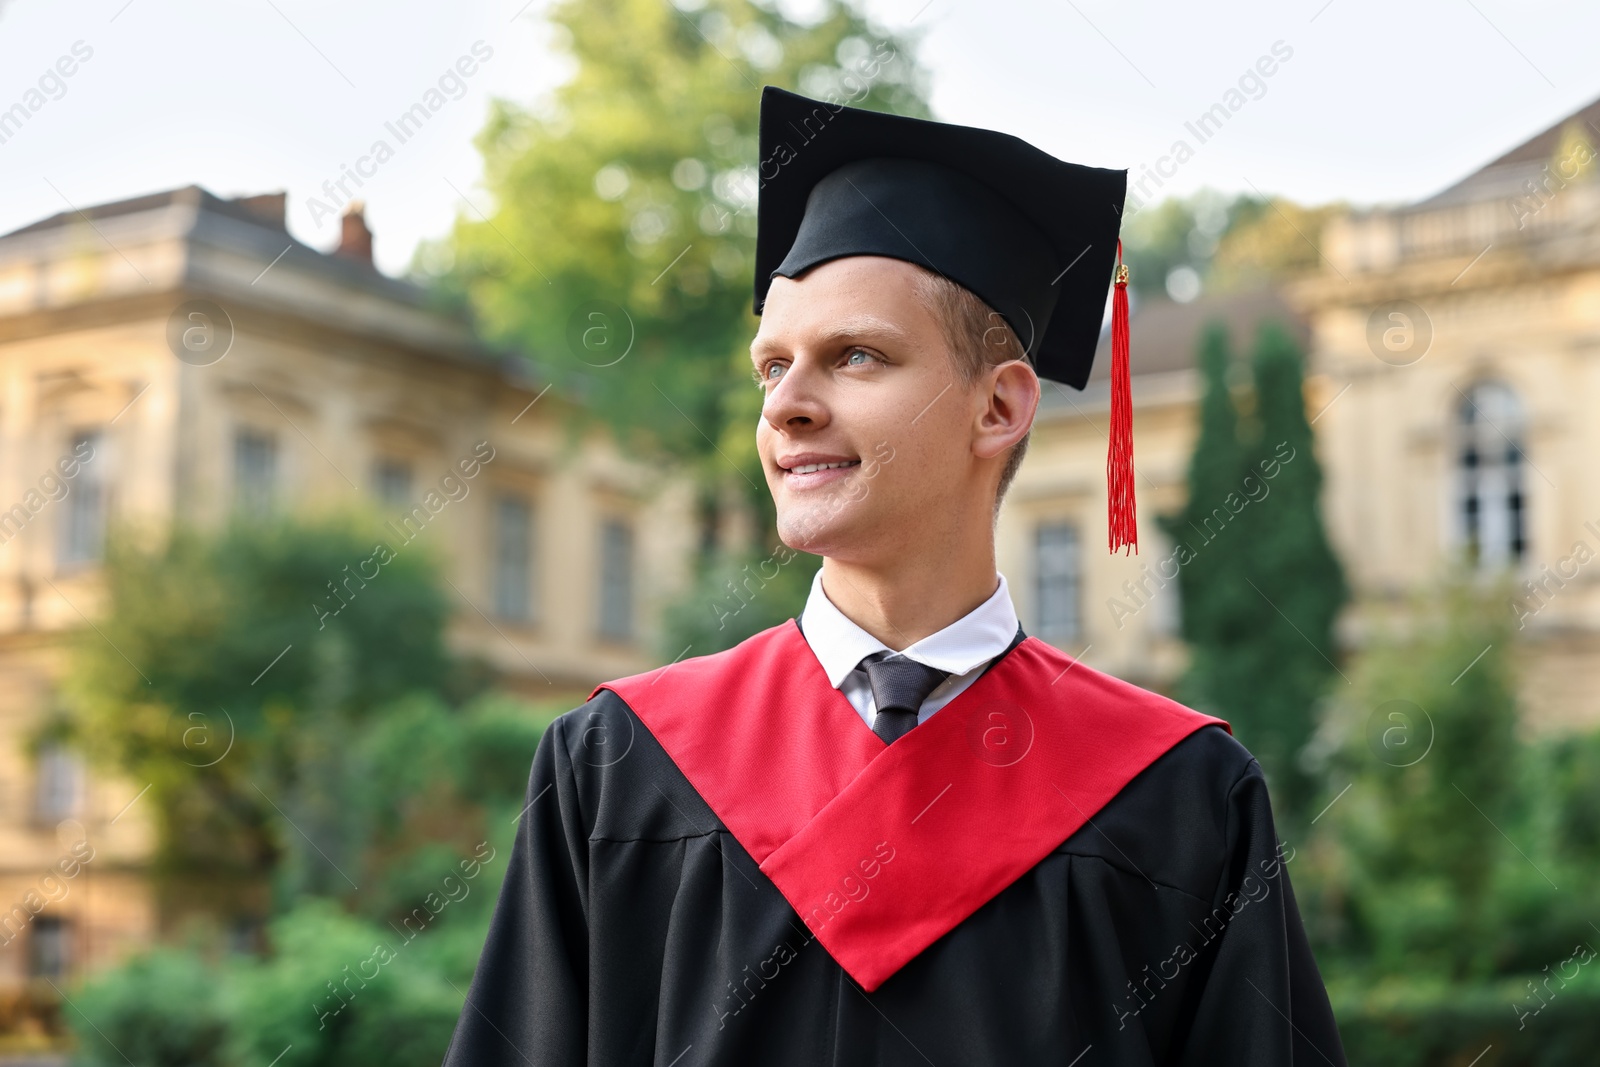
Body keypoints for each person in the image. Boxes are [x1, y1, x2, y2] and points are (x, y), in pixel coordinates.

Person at [441, 87, 1347, 1066]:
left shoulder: (1179, 797)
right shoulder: (617, 768)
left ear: (997, 407)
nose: (785, 406)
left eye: (854, 356)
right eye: (769, 365)